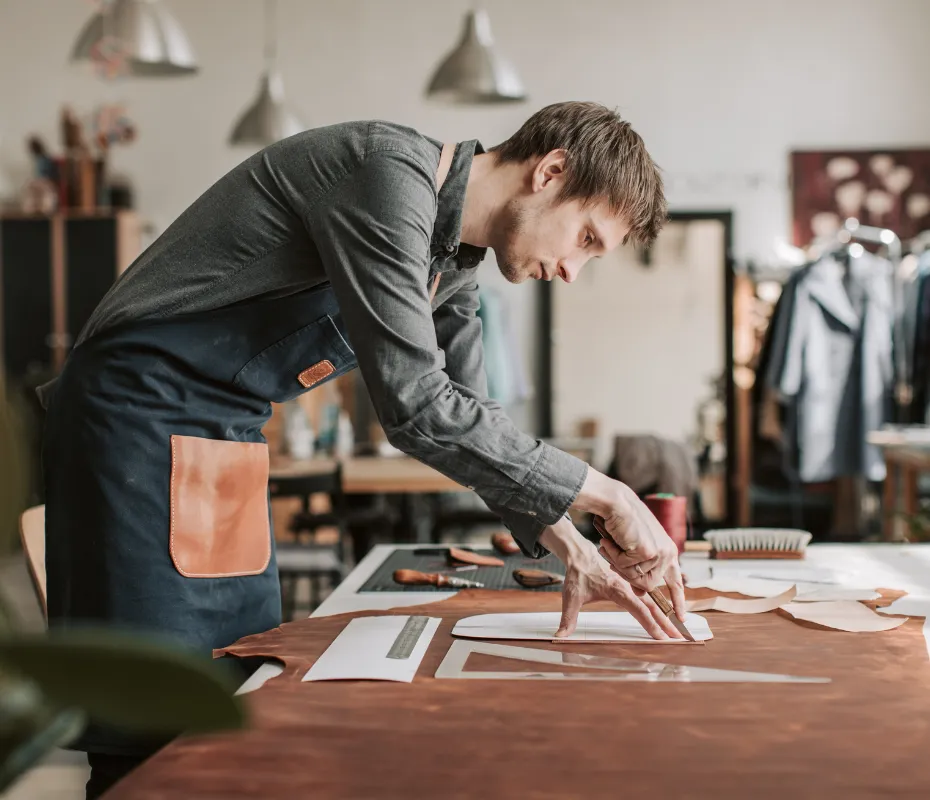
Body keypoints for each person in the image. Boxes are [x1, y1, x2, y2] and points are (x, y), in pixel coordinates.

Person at [39, 101, 681, 798]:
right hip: (135, 417)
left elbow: (469, 417)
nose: (571, 271)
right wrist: (610, 493)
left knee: (237, 688)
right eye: (586, 238)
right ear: (550, 171)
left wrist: (572, 545)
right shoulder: (386, 178)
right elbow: (415, 404)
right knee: (149, 718)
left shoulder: (453, 264)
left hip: (225, 431)